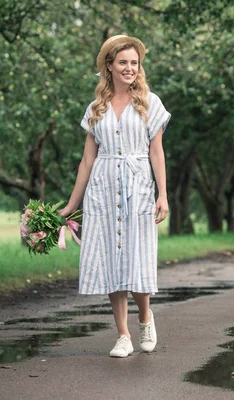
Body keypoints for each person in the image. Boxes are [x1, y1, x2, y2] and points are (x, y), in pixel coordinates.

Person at [58, 35, 171, 358]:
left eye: (134, 63)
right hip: (102, 191)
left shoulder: (151, 102)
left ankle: (145, 319)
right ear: (109, 66)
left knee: (137, 257)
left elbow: (156, 153)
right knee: (112, 261)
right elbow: (87, 161)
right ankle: (123, 335)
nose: (129, 68)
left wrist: (162, 194)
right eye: (122, 62)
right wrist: (71, 204)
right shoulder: (96, 109)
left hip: (138, 189)